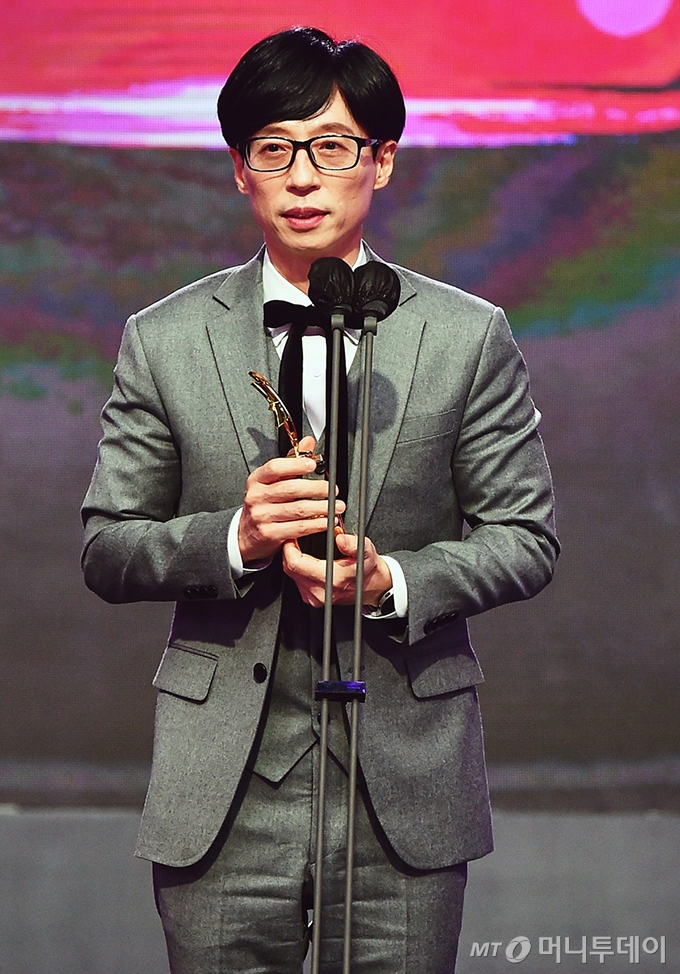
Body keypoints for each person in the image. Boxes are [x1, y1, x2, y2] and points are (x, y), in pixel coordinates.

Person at [81, 26, 559, 974]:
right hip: (224, 792)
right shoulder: (164, 338)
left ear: (382, 160)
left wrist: (390, 582)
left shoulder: (466, 336)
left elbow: (525, 537)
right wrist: (237, 537)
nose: (302, 177)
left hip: (404, 782)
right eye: (274, 148)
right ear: (240, 170)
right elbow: (108, 545)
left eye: (332, 147)